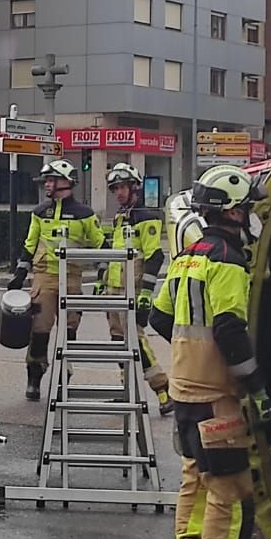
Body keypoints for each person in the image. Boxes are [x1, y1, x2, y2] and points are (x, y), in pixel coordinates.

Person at [149, 164, 271, 539]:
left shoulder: (188, 257)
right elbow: (229, 329)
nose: (252, 216)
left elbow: (160, 319)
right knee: (232, 495)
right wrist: (257, 387)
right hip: (217, 398)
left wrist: (191, 355)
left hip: (185, 393)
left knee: (197, 488)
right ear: (233, 212)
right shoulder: (229, 261)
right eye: (248, 207)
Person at [8, 159, 103, 401]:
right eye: (46, 181)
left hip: (72, 278)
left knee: (69, 333)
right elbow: (30, 244)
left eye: (51, 180)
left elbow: (101, 244)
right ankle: (34, 377)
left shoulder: (85, 214)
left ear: (65, 182)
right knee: (39, 330)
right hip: (45, 277)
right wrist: (19, 274)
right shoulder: (40, 212)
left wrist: (102, 275)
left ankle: (64, 378)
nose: (47, 185)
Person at [99, 162, 173, 415]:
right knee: (117, 341)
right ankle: (126, 390)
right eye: (115, 188)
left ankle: (163, 391)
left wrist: (146, 293)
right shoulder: (121, 216)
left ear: (134, 188)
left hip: (132, 290)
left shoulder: (146, 216)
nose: (118, 193)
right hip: (114, 289)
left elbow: (155, 256)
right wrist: (102, 280)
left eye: (122, 187)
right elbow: (114, 253)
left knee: (136, 342)